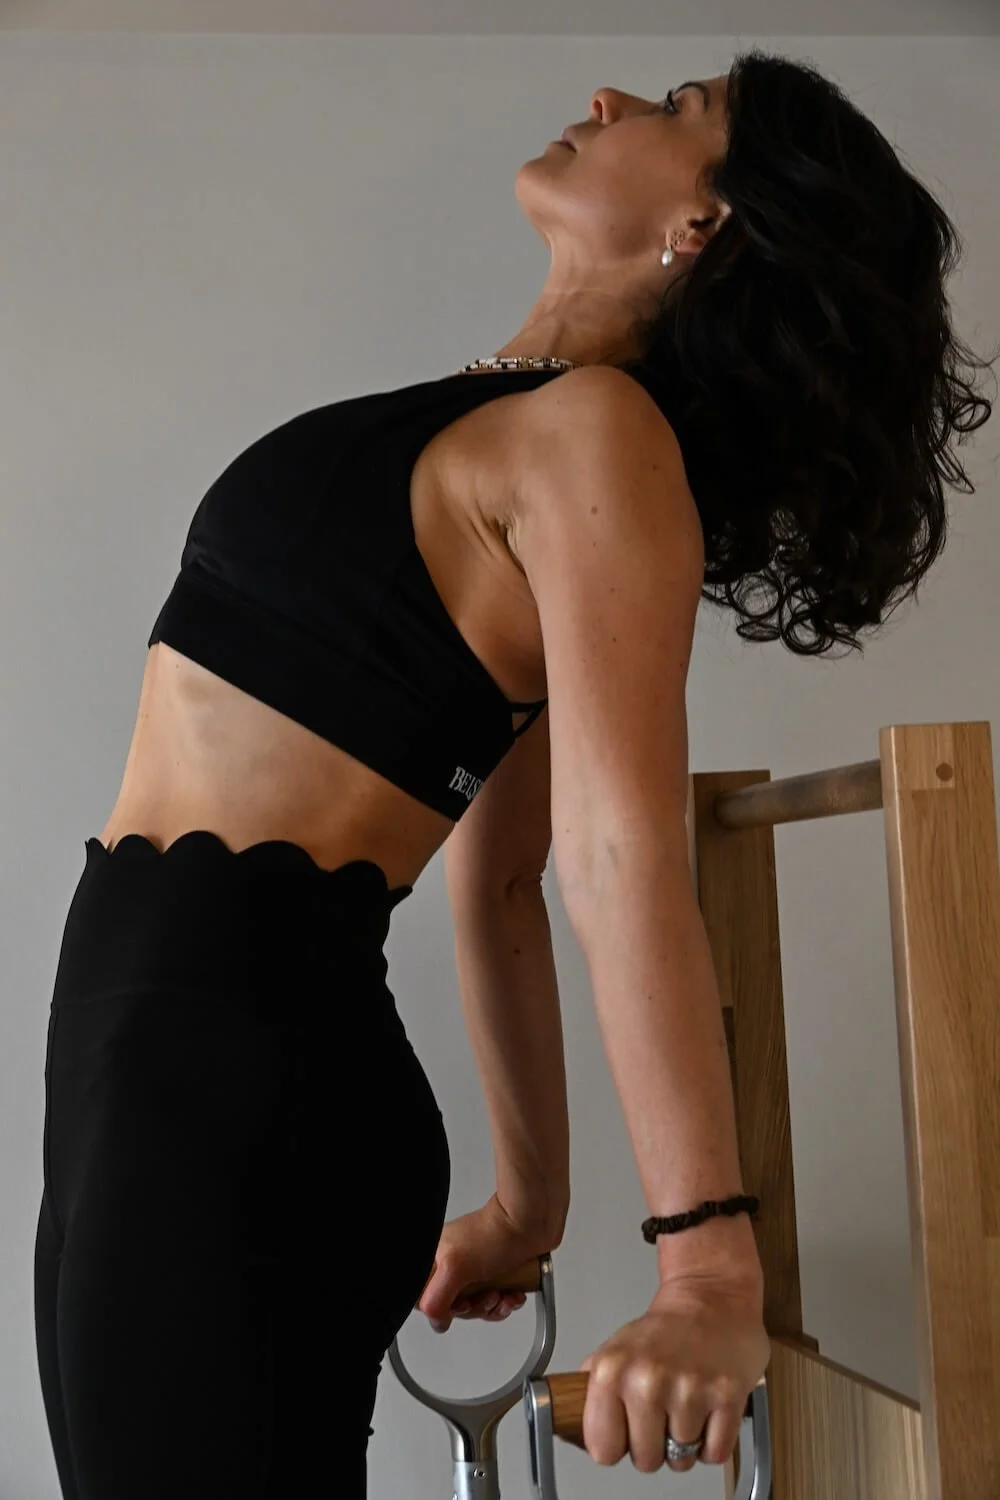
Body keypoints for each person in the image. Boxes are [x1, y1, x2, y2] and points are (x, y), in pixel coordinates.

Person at [33, 46, 995, 1500]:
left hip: (232, 1085)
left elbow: (619, 860)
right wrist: (530, 1208)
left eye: (678, 112)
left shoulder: (599, 439)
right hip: (150, 1068)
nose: (611, 98)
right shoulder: (517, 425)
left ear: (704, 228)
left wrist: (707, 1270)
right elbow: (498, 876)